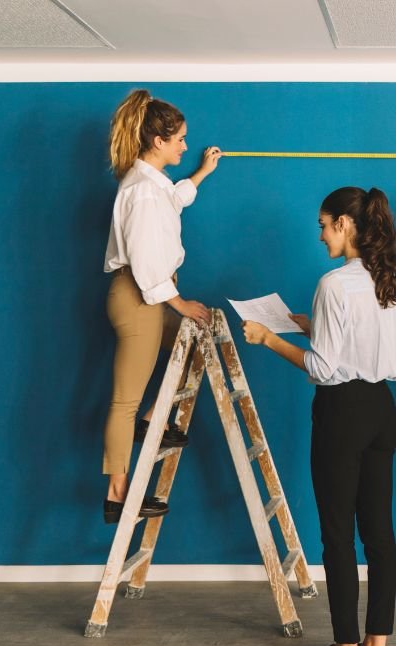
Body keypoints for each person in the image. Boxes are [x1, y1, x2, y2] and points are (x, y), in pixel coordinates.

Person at [242, 187, 396, 646]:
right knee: (379, 532)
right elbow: (360, 345)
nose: (319, 234)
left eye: (323, 224)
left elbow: (324, 369)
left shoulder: (333, 284)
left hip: (341, 413)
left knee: (338, 533)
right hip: (381, 409)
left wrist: (268, 338)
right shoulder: (389, 279)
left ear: (345, 225)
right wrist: (314, 327)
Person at [101, 89, 222, 524]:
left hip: (147, 294)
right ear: (158, 142)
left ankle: (151, 420)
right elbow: (147, 261)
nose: (186, 147)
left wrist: (202, 173)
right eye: (181, 140)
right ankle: (118, 497)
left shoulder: (152, 185)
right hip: (140, 295)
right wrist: (180, 303)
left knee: (192, 345)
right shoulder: (144, 193)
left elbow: (175, 199)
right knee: (124, 401)